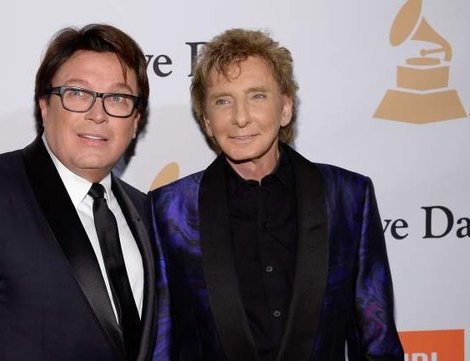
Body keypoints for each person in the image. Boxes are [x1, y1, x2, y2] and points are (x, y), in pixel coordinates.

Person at [0, 23, 165, 361]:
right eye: (77, 93)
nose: (98, 114)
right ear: (45, 106)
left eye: (118, 98)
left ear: (136, 120)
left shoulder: (145, 211)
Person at [150, 28, 404, 361]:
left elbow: (376, 338)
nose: (241, 118)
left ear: (285, 107)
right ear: (207, 121)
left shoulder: (348, 197)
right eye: (223, 101)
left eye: (257, 96)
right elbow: (164, 344)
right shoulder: (170, 209)